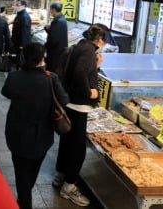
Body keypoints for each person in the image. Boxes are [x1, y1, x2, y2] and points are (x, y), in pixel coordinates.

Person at [2, 43, 69, 209]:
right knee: (32, 169)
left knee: (20, 170)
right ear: (42, 58)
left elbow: (6, 93)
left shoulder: (14, 77)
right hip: (42, 135)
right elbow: (64, 101)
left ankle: (24, 200)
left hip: (17, 133)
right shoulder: (50, 78)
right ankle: (25, 199)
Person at [54, 24, 109, 207]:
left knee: (67, 142)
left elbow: (81, 69)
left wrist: (96, 64)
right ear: (100, 39)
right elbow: (79, 72)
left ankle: (60, 176)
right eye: (104, 40)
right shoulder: (88, 50)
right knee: (77, 149)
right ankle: (69, 187)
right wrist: (90, 92)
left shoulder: (81, 44)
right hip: (79, 105)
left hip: (70, 102)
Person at [45, 2, 68, 73]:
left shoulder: (58, 21)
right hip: (58, 51)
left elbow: (54, 39)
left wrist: (45, 46)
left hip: (56, 52)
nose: (50, 11)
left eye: (50, 9)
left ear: (54, 9)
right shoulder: (61, 19)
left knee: (52, 70)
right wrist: (48, 29)